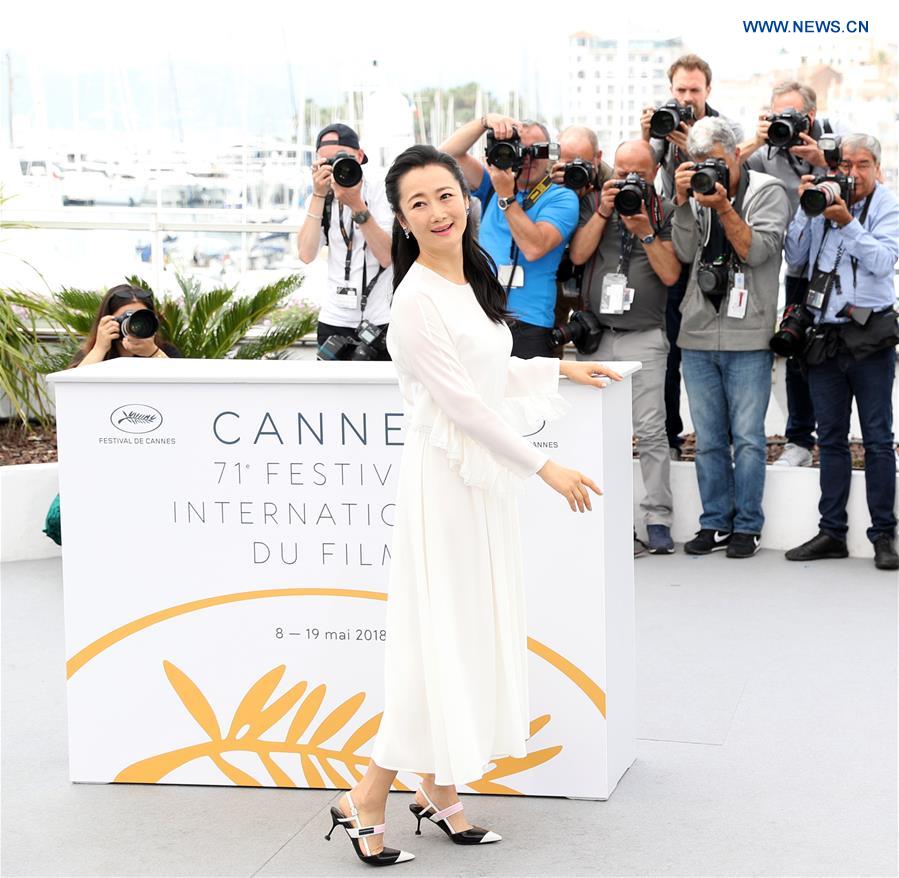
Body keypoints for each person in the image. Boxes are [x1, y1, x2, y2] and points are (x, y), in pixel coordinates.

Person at [323, 145, 621, 866]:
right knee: (437, 640)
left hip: (476, 485)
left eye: (444, 195)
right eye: (418, 203)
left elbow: (485, 369)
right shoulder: (415, 298)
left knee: (466, 638)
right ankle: (367, 794)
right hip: (446, 484)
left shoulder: (466, 279)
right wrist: (544, 466)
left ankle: (438, 788)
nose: (436, 211)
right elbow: (462, 407)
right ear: (400, 217)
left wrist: (557, 366)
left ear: (466, 198)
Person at [671, 117, 791, 558]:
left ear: (736, 154)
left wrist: (723, 206)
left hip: (748, 333)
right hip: (698, 332)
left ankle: (747, 525)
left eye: (716, 163)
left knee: (748, 437)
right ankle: (715, 522)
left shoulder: (767, 191)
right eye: (700, 163)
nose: (710, 171)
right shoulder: (695, 194)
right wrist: (682, 202)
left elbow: (756, 251)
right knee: (707, 438)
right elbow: (684, 253)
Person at [783, 134, 899, 570]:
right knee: (829, 439)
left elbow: (884, 262)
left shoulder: (886, 205)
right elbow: (794, 258)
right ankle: (831, 532)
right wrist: (807, 209)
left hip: (870, 337)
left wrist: (848, 221)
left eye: (862, 164)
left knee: (877, 440)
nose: (852, 172)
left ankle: (884, 535)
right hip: (825, 336)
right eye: (845, 164)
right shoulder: (822, 200)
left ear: (876, 167)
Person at [569, 140, 682, 556]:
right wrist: (603, 211)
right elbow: (579, 255)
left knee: (652, 432)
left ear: (654, 173)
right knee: (597, 433)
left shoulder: (668, 213)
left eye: (639, 172)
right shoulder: (597, 206)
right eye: (622, 170)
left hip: (645, 337)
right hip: (598, 337)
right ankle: (605, 517)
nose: (629, 179)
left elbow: (670, 276)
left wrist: (646, 232)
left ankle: (657, 518)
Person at [640, 54, 743, 460]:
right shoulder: (661, 127)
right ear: (671, 90)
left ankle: (724, 437)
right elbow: (644, 178)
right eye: (680, 90)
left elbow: (737, 180)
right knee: (669, 346)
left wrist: (694, 152)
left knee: (717, 348)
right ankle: (670, 434)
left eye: (694, 90)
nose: (686, 98)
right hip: (670, 239)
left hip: (711, 244)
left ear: (708, 91)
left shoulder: (724, 130)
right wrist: (649, 135)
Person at [740, 82, 840, 468]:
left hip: (834, 264)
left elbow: (863, 181)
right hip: (793, 262)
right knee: (795, 345)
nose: (784, 124)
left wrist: (824, 159)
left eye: (791, 116)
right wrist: (755, 139)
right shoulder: (766, 150)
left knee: (833, 351)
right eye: (776, 114)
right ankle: (799, 439)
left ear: (810, 117)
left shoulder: (834, 140)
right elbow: (731, 172)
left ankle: (833, 435)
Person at [440, 115, 580, 358]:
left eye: (534, 150)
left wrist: (506, 196)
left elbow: (534, 247)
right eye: (518, 150)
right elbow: (445, 156)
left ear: (547, 152)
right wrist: (484, 122)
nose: (526, 158)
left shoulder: (562, 198)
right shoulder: (492, 185)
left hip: (530, 323)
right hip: (483, 316)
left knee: (526, 396)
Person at [297, 123, 393, 359]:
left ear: (360, 157)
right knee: (331, 395)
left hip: (380, 321)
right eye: (328, 162)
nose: (338, 167)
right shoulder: (320, 197)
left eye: (344, 158)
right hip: (334, 320)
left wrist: (356, 204)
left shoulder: (380, 191)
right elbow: (306, 254)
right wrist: (319, 195)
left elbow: (387, 255)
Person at [550, 125, 614, 348]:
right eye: (567, 164)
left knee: (593, 339)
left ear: (598, 158)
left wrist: (591, 199)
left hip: (590, 273)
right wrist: (550, 188)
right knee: (550, 340)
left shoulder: (610, 181)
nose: (574, 171)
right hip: (554, 276)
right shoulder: (547, 177)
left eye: (582, 164)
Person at [69, 284, 181, 367]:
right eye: (126, 317)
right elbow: (72, 388)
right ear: (107, 319)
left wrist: (153, 352)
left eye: (140, 317)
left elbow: (181, 384)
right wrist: (99, 349)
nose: (133, 323)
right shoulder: (91, 354)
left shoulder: (166, 350)